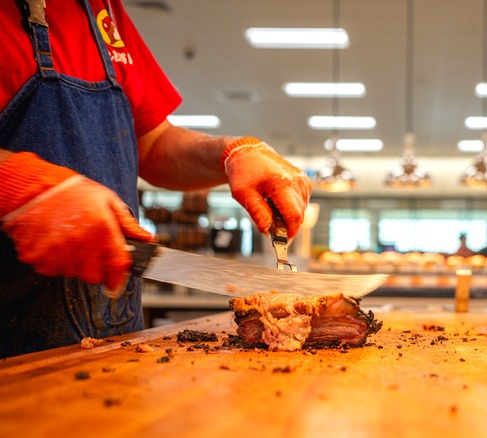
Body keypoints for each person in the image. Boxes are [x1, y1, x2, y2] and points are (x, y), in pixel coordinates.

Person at [0, 0, 311, 358]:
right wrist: (16, 185)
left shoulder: (100, 8)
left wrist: (232, 153)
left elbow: (152, 143)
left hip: (110, 336)